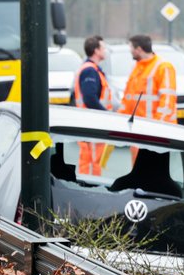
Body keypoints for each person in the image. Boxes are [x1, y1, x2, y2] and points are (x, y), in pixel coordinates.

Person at [72, 35, 115, 175]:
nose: (105, 50)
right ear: (96, 50)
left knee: (92, 160)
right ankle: (91, 184)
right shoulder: (90, 70)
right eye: (103, 48)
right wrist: (106, 114)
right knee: (92, 161)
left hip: (91, 122)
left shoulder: (92, 69)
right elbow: (90, 98)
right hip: (92, 123)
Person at [120, 34, 178, 123]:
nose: (130, 51)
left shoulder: (163, 67)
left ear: (139, 49)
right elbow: (127, 98)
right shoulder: (136, 67)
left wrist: (158, 124)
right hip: (137, 124)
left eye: (131, 48)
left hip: (154, 126)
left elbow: (167, 100)